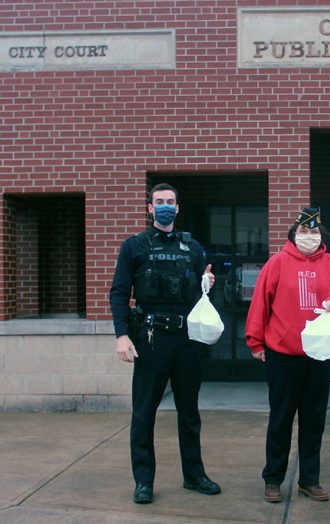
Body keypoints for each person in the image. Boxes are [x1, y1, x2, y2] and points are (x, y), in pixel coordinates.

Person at [109, 183, 221, 504]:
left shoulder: (193, 248)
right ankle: (143, 481)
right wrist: (121, 335)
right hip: (151, 338)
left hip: (187, 341)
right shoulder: (134, 247)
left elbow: (204, 295)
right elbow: (119, 293)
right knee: (144, 414)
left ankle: (194, 475)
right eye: (159, 202)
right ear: (149, 208)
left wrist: (207, 284)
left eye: (170, 201)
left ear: (178, 207)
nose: (165, 206)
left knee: (189, 413)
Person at [245, 207, 330, 504]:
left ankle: (310, 480)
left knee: (314, 419)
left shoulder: (329, 263)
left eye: (314, 232)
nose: (309, 237)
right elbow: (260, 303)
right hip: (283, 354)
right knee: (280, 418)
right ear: (294, 235)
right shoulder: (277, 262)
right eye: (304, 232)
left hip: (319, 355)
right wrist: (255, 342)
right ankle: (273, 479)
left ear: (321, 237)